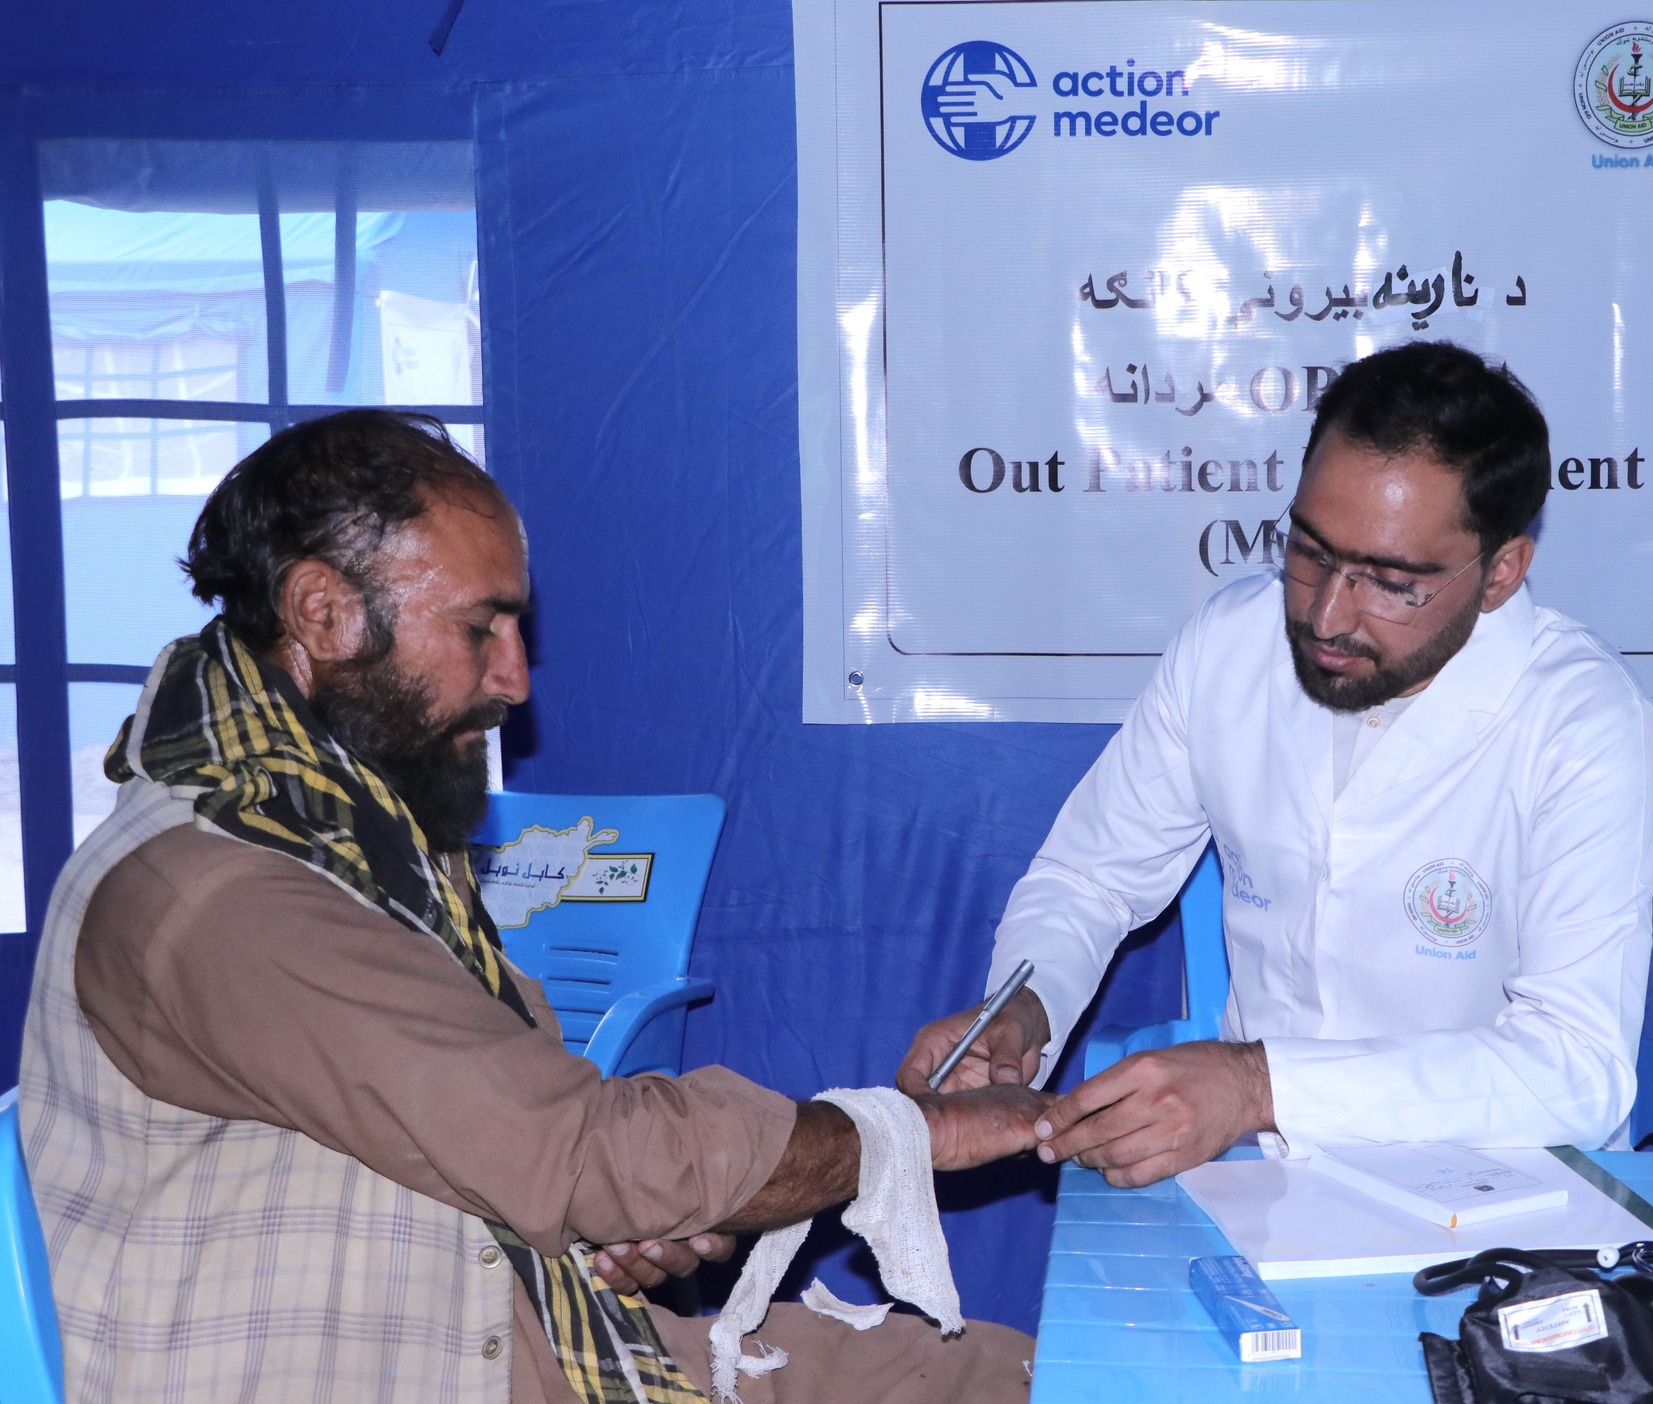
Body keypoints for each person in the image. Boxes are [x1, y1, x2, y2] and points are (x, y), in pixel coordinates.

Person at [18, 409, 1048, 1403]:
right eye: (480, 628)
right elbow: (579, 1152)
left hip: (474, 1320)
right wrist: (914, 1134)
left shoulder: (344, 829)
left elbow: (514, 1144)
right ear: (324, 614)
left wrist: (614, 1225)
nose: (514, 679)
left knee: (1012, 1375)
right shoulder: (233, 895)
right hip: (361, 1371)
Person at [899, 341, 1653, 1188]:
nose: (1327, 616)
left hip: (1512, 1199)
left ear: (1501, 573)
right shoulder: (1231, 646)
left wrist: (1258, 1086)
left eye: (1391, 582)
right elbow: (1091, 879)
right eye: (1310, 551)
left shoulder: (1582, 720)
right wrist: (1022, 1009)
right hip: (1263, 1186)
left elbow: (1574, 1070)